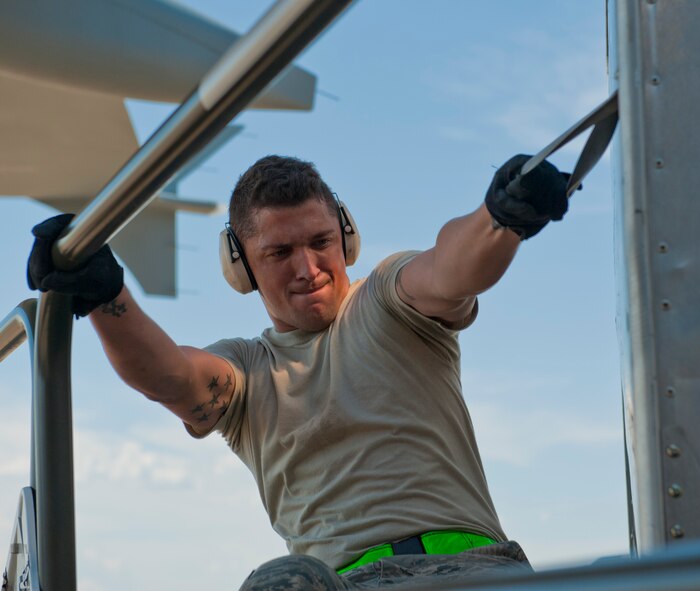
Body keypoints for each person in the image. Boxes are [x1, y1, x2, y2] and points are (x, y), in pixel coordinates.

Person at [27, 153, 569, 589]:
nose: (307, 268)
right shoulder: (245, 370)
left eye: (320, 242)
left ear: (346, 236)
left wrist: (501, 217)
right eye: (280, 251)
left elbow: (449, 269)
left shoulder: (387, 297)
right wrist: (102, 292)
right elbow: (170, 376)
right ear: (241, 268)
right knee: (279, 584)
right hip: (337, 586)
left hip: (472, 571)